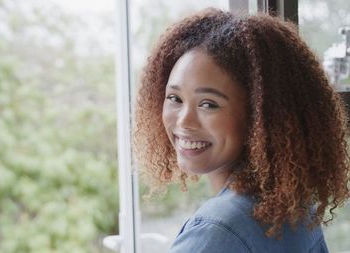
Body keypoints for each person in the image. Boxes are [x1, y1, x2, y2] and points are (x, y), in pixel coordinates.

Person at [133, 8, 350, 253]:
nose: (184, 121)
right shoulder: (291, 210)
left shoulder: (218, 231)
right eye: (174, 98)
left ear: (260, 116)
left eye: (208, 104)